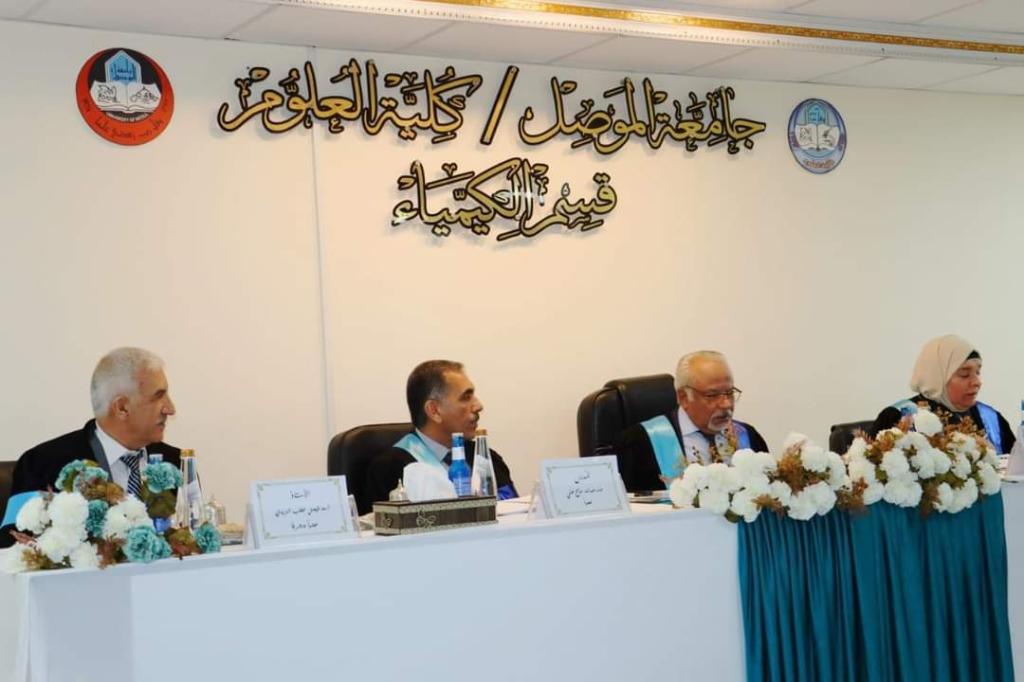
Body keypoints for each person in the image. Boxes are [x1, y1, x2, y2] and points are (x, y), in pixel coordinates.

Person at [0, 347, 181, 547]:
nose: (170, 409)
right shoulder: (42, 464)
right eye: (158, 397)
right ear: (122, 407)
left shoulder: (177, 463)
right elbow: (14, 546)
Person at [362, 360, 516, 512]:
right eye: (466, 397)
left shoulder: (484, 459)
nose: (478, 406)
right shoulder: (390, 470)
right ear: (434, 410)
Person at [614, 351, 768, 492]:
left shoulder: (748, 437)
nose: (726, 404)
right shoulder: (640, 443)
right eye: (712, 395)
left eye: (729, 393)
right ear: (683, 397)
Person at [869, 334, 1016, 452]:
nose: (977, 382)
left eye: (978, 372)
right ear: (937, 377)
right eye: (964, 374)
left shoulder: (990, 418)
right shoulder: (899, 416)